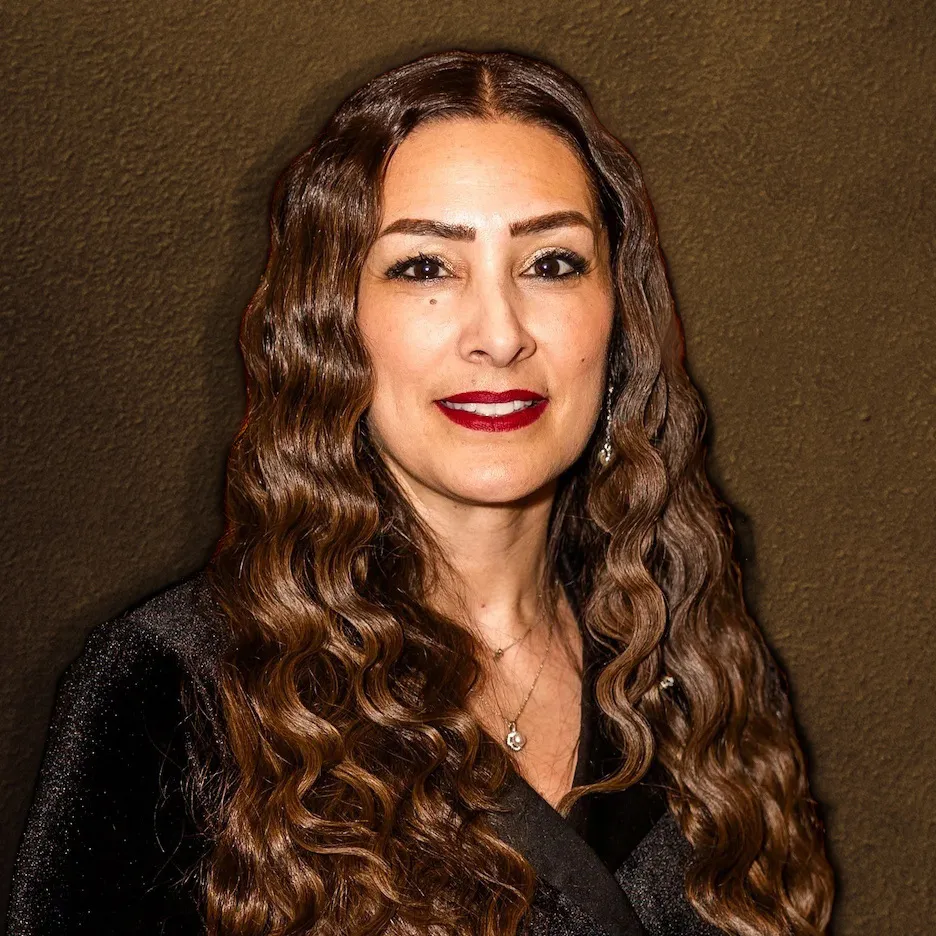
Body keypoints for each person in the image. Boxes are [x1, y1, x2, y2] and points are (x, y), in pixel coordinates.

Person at [6, 49, 835, 936]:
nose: (500, 335)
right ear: (334, 320)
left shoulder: (697, 661)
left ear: (618, 314)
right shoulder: (172, 691)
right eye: (425, 268)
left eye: (552, 263)